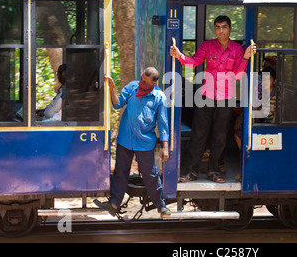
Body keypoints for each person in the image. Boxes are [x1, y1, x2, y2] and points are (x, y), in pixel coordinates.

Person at [170, 15, 256, 183]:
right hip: (206, 96)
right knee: (198, 134)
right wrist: (180, 55)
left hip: (226, 98)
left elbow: (238, 75)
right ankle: (191, 172)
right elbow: (193, 62)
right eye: (217, 27)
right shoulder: (207, 46)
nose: (220, 30)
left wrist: (245, 57)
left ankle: (214, 171)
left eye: (224, 27)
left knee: (220, 136)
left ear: (230, 29)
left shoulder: (237, 49)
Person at [94, 67, 171, 217]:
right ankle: (114, 203)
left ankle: (160, 205)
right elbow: (117, 104)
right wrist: (112, 88)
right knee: (120, 172)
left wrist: (165, 146)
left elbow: (163, 124)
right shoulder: (132, 87)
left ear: (154, 83)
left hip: (145, 142)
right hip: (125, 138)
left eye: (145, 81)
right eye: (141, 78)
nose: (141, 82)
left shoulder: (159, 97)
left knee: (151, 174)